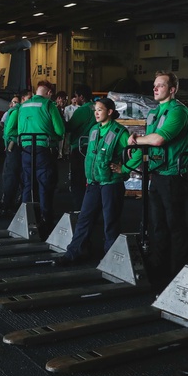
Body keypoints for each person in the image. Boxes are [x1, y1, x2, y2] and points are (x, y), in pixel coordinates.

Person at [124, 71, 188, 284]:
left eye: (161, 85)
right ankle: (159, 268)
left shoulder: (178, 112)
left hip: (174, 176)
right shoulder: (155, 113)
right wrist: (124, 167)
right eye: (155, 85)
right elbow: (145, 143)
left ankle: (179, 273)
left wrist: (136, 140)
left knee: (175, 225)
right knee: (157, 224)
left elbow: (157, 140)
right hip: (157, 174)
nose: (155, 88)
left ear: (172, 89)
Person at [57, 98, 132, 264]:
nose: (96, 113)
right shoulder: (94, 130)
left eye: (100, 110)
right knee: (85, 218)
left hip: (111, 184)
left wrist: (125, 169)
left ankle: (111, 259)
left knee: (110, 221)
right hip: (93, 183)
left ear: (110, 112)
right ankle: (73, 252)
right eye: (95, 110)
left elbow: (137, 153)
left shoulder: (120, 132)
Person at [16, 81, 65, 234]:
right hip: (43, 150)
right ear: (49, 93)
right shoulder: (49, 105)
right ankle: (46, 222)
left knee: (28, 185)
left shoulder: (23, 106)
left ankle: (25, 220)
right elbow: (60, 130)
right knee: (44, 186)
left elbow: (18, 129)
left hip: (25, 149)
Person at [63, 85, 97, 210]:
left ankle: (80, 208)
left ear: (81, 97)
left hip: (80, 147)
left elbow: (69, 127)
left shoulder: (82, 110)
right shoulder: (96, 108)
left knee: (78, 180)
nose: (75, 99)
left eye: (76, 96)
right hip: (94, 147)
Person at [0, 91, 31, 215]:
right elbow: (10, 129)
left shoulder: (18, 111)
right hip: (17, 145)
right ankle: (11, 201)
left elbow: (8, 130)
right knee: (15, 174)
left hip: (14, 145)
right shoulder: (19, 111)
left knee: (11, 174)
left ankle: (8, 202)